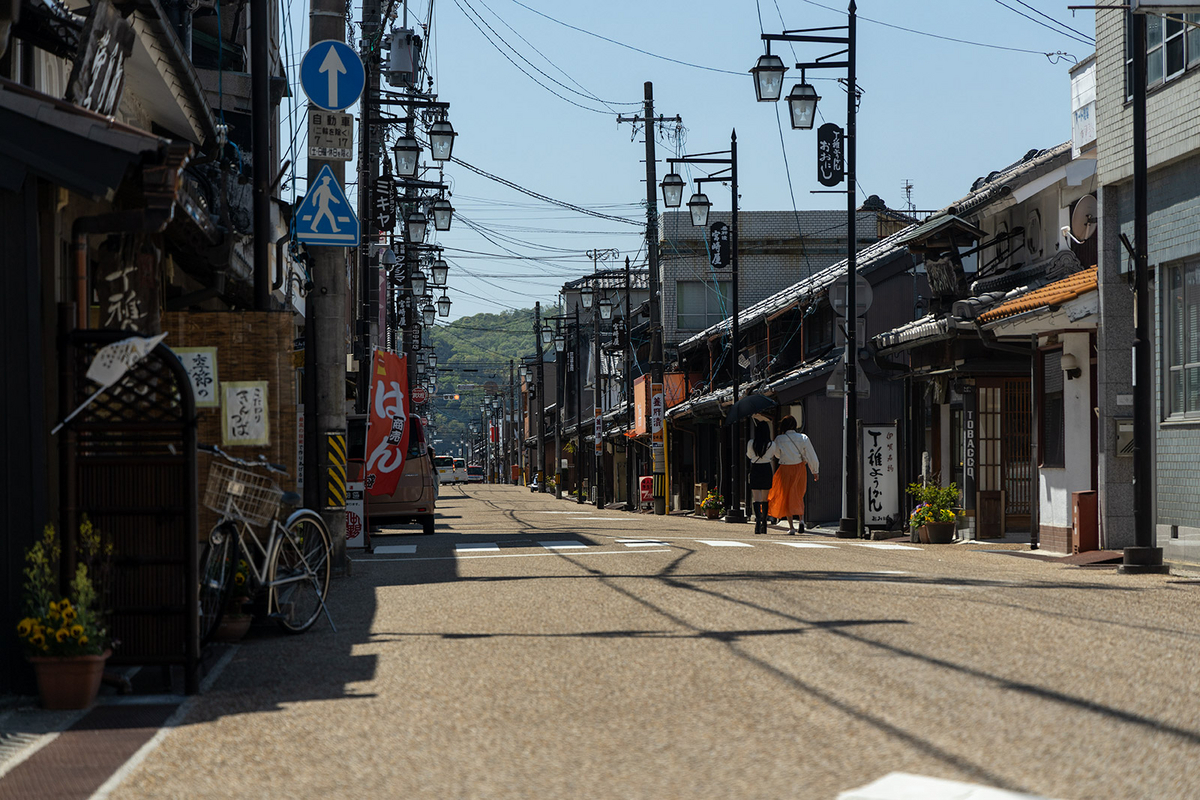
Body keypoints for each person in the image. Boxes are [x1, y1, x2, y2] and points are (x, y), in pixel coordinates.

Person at [766, 415, 819, 534]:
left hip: (785, 468)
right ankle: (801, 520)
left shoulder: (779, 439)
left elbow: (777, 455)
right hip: (800, 468)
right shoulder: (803, 437)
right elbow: (811, 454)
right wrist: (815, 471)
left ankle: (791, 527)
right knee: (798, 494)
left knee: (786, 496)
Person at [745, 418, 776, 535]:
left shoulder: (751, 443)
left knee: (756, 498)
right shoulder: (771, 444)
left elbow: (749, 455)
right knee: (765, 498)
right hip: (766, 469)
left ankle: (757, 522)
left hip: (755, 468)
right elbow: (773, 455)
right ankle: (764, 522)